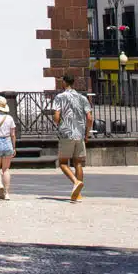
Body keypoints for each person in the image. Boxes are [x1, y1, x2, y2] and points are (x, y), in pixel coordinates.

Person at [52, 73, 92, 201]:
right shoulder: (82, 98)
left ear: (64, 82)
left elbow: (56, 117)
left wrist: (58, 123)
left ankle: (75, 182)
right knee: (78, 163)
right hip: (79, 133)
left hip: (66, 133)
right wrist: (87, 134)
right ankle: (78, 194)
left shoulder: (60, 97)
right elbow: (90, 118)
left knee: (63, 162)